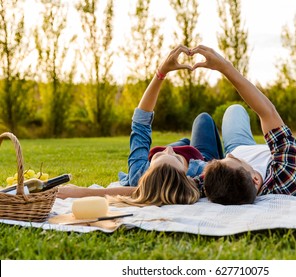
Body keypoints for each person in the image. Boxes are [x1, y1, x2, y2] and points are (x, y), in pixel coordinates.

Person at [57, 45, 223, 206]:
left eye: (156, 158)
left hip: (169, 162)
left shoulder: (139, 174)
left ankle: (175, 151)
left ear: (147, 172)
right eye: (177, 159)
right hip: (199, 155)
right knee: (203, 119)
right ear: (188, 179)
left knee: (178, 145)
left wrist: (161, 72)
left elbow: (140, 122)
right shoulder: (203, 173)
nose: (168, 149)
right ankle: (182, 149)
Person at [188, 45, 296, 205]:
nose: (227, 155)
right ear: (255, 179)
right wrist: (225, 67)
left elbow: (171, 187)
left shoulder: (214, 184)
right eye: (232, 159)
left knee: (234, 110)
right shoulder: (286, 175)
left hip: (239, 146)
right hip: (277, 157)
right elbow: (267, 112)